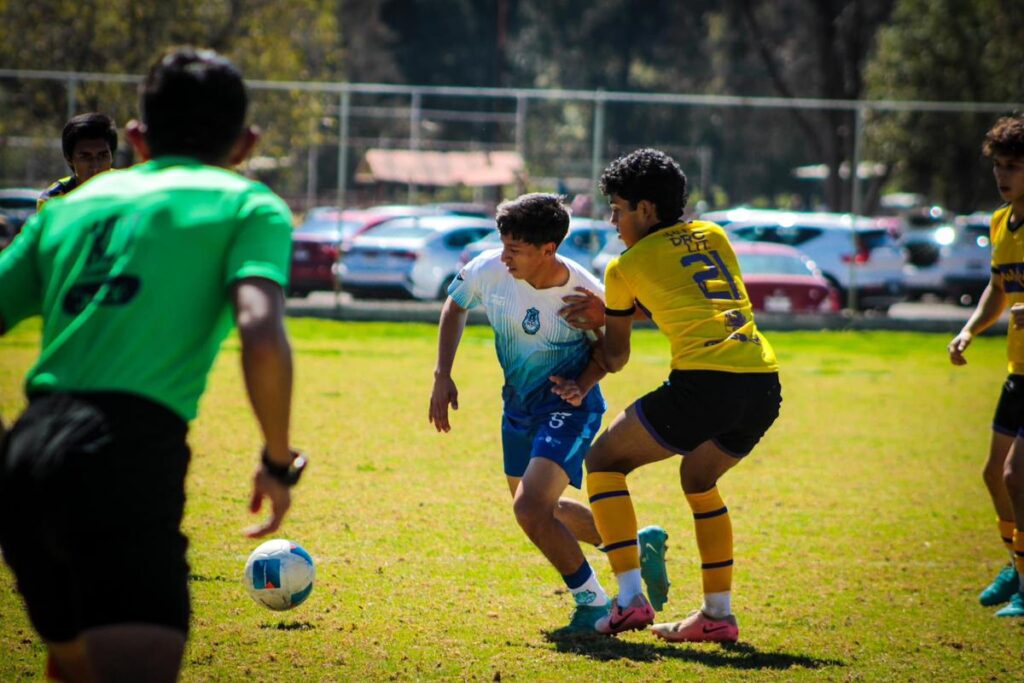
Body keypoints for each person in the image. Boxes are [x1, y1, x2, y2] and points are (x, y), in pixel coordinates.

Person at [0, 47, 305, 682]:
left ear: (136, 138)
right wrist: (278, 459)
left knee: (76, 665)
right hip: (125, 453)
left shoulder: (64, 210)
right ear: (246, 143)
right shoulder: (247, 205)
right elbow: (260, 329)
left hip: (27, 454)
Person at [429, 192, 668, 634]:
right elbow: (456, 304)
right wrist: (443, 372)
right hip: (517, 407)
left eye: (515, 250)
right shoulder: (488, 268)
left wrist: (584, 383)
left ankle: (593, 603)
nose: (504, 258)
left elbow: (615, 353)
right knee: (544, 509)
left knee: (530, 509)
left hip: (568, 406)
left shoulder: (583, 292)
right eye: (503, 246)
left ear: (548, 249)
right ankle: (634, 549)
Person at [569, 148, 781, 642]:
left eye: (618, 209)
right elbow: (692, 297)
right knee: (699, 476)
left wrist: (601, 329)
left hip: (705, 383)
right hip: (762, 381)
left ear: (645, 210)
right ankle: (717, 615)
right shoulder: (715, 235)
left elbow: (617, 358)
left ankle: (628, 599)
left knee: (603, 462)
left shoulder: (625, 267)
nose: (613, 220)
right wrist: (616, 313)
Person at [948, 113, 1024, 618]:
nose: (1003, 175)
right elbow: (998, 290)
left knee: (1017, 475)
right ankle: (1018, 567)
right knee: (994, 476)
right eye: (999, 166)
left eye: (1014, 166)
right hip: (1018, 371)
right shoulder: (1001, 222)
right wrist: (970, 329)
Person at [37, 112, 118, 210]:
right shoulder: (53, 201)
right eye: (85, 157)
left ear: (112, 156)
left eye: (103, 156)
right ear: (69, 158)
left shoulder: (131, 190)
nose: (95, 166)